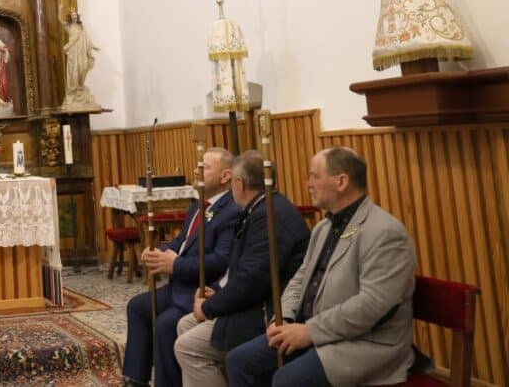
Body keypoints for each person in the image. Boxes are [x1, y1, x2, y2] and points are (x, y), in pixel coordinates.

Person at [225, 147, 416, 387]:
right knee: (240, 361)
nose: (308, 184)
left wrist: (309, 332)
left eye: (314, 176)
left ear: (341, 181)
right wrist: (283, 318)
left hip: (364, 343)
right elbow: (300, 278)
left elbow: (372, 305)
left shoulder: (385, 232)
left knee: (287, 381)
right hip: (313, 331)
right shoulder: (323, 228)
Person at [174, 151, 310, 387]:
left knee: (188, 347)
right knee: (185, 323)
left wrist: (210, 306)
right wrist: (215, 290)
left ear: (239, 183)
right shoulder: (260, 207)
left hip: (266, 310)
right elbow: (237, 270)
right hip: (254, 301)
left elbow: (254, 279)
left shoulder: (269, 214)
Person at [122, 148, 242, 387]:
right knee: (137, 306)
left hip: (201, 290)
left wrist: (175, 265)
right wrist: (158, 253)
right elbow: (181, 243)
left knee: (166, 324)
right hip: (179, 286)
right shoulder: (198, 204)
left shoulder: (231, 211)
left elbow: (221, 261)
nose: (197, 171)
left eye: (205, 167)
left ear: (226, 175)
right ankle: (134, 379)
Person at [62, 12, 99, 108]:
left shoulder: (81, 27)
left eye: (75, 16)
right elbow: (60, 21)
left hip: (81, 52)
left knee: (82, 68)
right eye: (72, 16)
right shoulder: (69, 26)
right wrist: (60, 10)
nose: (74, 17)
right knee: (73, 71)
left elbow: (87, 39)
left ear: (77, 17)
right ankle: (73, 91)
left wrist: (93, 46)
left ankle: (80, 87)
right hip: (73, 51)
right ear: (71, 17)